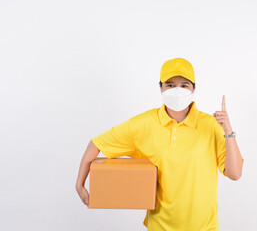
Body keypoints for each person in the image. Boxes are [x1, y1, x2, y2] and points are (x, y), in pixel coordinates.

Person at [75, 57, 244, 231]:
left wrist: (228, 132)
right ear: (161, 87)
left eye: (184, 85)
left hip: (204, 228)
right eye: (170, 85)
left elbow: (235, 173)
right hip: (160, 227)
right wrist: (79, 185)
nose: (177, 90)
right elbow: (96, 144)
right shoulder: (143, 124)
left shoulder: (211, 125)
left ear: (194, 88)